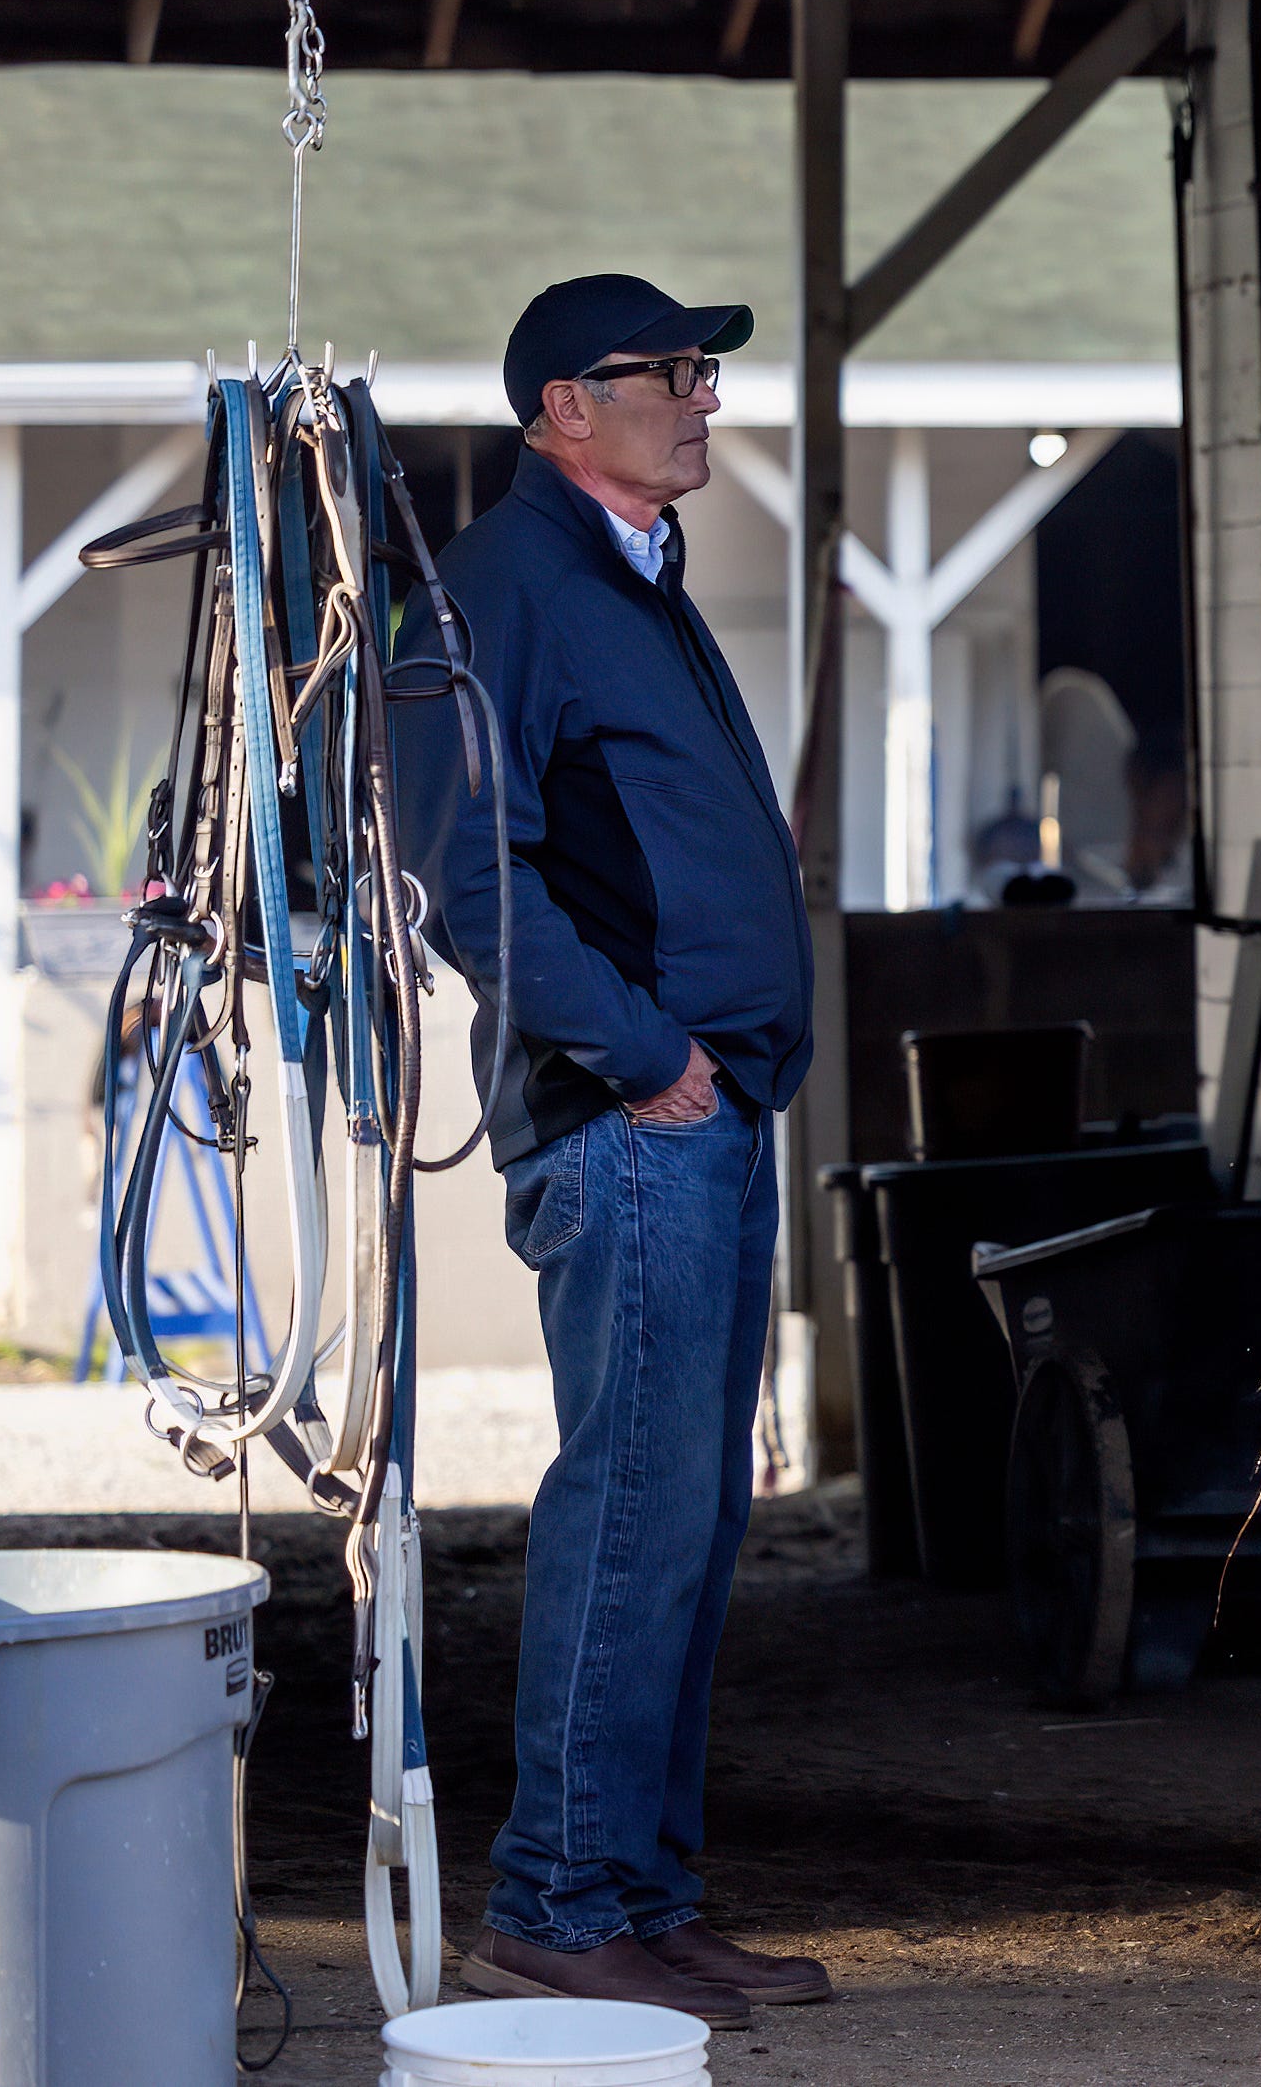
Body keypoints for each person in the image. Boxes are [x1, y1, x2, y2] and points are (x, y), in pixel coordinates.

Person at [394, 276, 826, 2029]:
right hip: (630, 1120)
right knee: (635, 1509)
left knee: (698, 1519)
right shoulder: (517, 585)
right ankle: (559, 1897)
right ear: (564, 406)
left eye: (704, 370)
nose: (704, 398)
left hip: (704, 1116)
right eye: (670, 374)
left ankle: (641, 1891)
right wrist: (647, 1054)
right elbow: (460, 867)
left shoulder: (623, 575)